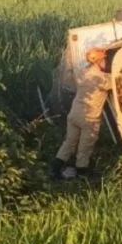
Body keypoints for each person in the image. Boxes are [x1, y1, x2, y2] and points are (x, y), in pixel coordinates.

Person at [51, 47, 112, 179]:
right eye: (105, 59)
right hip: (89, 119)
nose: (106, 62)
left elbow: (75, 71)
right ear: (99, 61)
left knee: (69, 142)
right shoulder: (102, 78)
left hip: (74, 114)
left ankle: (55, 170)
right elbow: (116, 81)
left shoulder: (82, 73)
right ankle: (82, 175)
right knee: (85, 147)